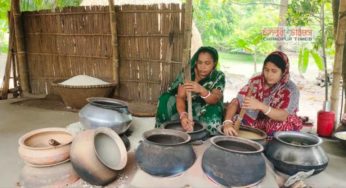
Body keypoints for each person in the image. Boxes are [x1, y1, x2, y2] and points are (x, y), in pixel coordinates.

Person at [223, 51, 302, 138]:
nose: (269, 74)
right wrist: (227, 122)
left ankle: (271, 146)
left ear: (283, 72)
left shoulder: (290, 89)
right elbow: (235, 102)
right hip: (257, 121)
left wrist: (260, 106)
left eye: (274, 71)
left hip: (277, 121)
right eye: (266, 70)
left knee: (280, 126)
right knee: (234, 120)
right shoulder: (256, 82)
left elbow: (283, 116)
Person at [155, 46, 225, 135]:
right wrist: (183, 115)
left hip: (205, 107)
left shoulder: (218, 76)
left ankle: (205, 137)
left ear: (214, 63)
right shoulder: (188, 74)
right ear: (196, 62)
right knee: (165, 98)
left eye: (207, 63)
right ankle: (162, 132)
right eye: (200, 62)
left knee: (214, 108)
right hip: (185, 106)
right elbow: (180, 97)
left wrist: (201, 89)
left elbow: (214, 98)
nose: (203, 67)